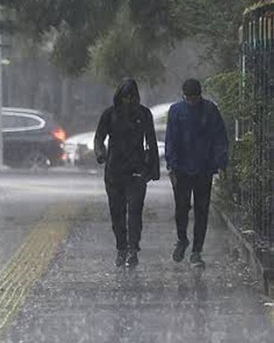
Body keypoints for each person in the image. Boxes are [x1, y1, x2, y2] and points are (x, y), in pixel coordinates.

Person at [95, 78, 160, 268]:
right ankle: (121, 247)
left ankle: (133, 248)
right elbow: (99, 136)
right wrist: (100, 153)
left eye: (131, 97)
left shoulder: (144, 114)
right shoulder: (109, 115)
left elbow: (151, 141)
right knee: (117, 212)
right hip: (114, 171)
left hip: (136, 171)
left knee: (134, 211)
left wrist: (152, 168)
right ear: (119, 97)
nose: (128, 102)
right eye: (125, 97)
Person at [165, 78, 228, 268]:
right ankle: (182, 239)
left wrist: (220, 162)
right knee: (181, 209)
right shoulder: (176, 111)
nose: (192, 102)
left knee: (202, 211)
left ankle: (196, 251)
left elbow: (220, 138)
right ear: (184, 96)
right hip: (182, 170)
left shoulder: (210, 110)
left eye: (195, 98)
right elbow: (171, 139)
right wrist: (172, 165)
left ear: (200, 95)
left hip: (204, 169)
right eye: (189, 98)